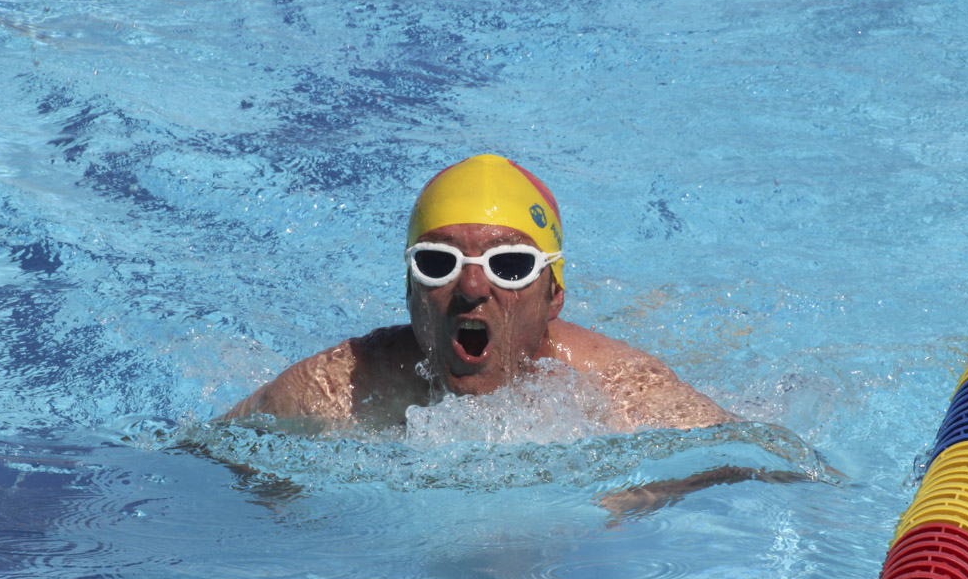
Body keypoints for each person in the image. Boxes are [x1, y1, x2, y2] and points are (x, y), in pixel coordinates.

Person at [222, 153, 737, 434]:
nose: (472, 288)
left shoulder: (623, 395)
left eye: (509, 266)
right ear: (409, 288)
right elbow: (200, 453)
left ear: (554, 294)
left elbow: (758, 457)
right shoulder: (338, 388)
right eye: (438, 262)